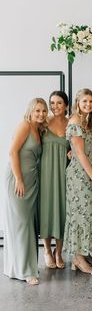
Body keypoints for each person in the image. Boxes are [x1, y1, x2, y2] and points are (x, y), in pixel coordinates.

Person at [4, 98, 48, 285]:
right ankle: (25, 271)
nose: (40, 114)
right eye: (37, 110)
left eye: (44, 111)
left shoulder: (38, 130)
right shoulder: (24, 125)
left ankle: (19, 266)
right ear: (30, 111)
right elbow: (12, 152)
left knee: (28, 225)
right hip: (18, 181)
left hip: (32, 182)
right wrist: (19, 179)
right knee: (21, 225)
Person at [63, 89, 92, 273]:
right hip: (79, 174)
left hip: (86, 172)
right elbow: (79, 152)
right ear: (77, 103)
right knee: (79, 213)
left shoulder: (87, 121)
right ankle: (78, 258)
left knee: (86, 212)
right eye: (84, 101)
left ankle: (83, 253)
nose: (88, 104)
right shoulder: (75, 122)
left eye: (91, 101)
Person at [40, 91, 70, 269]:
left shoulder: (71, 122)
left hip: (64, 172)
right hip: (45, 172)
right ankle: (46, 250)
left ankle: (59, 252)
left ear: (66, 105)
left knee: (62, 209)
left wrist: (72, 150)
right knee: (47, 209)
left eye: (59, 103)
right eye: (52, 103)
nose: (55, 106)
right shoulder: (43, 121)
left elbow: (81, 144)